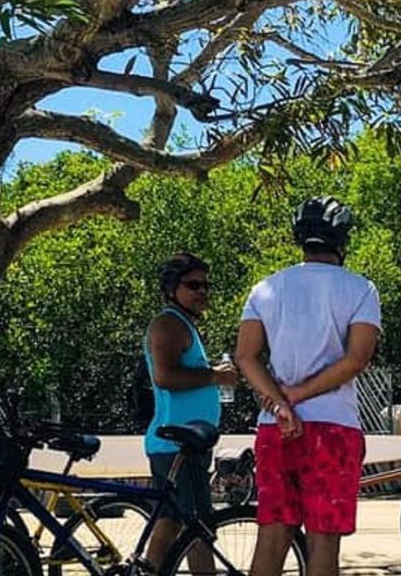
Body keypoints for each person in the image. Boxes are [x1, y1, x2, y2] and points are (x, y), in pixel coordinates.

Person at [235, 196, 381, 576]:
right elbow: (356, 359)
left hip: (274, 428)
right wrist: (298, 396)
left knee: (271, 537)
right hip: (334, 428)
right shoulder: (361, 289)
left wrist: (280, 403)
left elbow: (246, 356)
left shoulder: (265, 288)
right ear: (342, 241)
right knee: (322, 540)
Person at [143, 252, 239, 572]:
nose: (202, 292)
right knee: (198, 527)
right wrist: (215, 376)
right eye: (193, 285)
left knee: (171, 522)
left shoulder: (182, 324)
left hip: (183, 444)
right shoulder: (169, 324)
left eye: (205, 285)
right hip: (176, 444)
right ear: (172, 289)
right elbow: (165, 376)